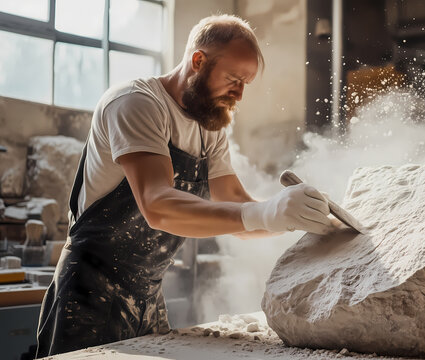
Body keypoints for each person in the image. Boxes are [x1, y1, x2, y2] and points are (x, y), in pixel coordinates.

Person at [36, 14, 333, 357]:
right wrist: (266, 213)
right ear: (198, 61)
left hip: (147, 293)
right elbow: (157, 204)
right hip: (88, 292)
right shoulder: (137, 103)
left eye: (245, 83)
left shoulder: (212, 126)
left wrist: (292, 217)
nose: (239, 92)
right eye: (233, 79)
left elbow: (238, 204)